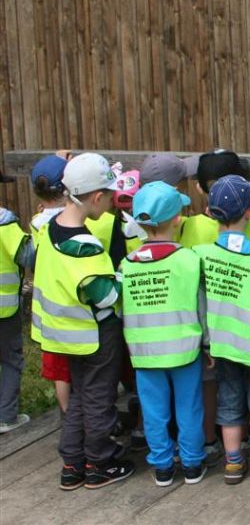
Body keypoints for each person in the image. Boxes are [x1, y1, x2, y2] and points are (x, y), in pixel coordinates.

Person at [31, 153, 134, 489]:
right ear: (95, 197)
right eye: (108, 196)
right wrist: (123, 277)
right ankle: (100, 461)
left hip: (63, 334)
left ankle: (73, 462)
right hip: (94, 334)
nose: (109, 203)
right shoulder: (84, 247)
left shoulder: (49, 230)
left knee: (78, 397)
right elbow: (106, 296)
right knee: (99, 397)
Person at [195, 175, 250, 487]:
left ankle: (233, 464)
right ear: (249, 211)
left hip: (222, 345)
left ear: (210, 211)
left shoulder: (203, 255)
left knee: (229, 405)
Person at [121, 182, 207, 486]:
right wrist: (207, 343)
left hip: (145, 353)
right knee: (189, 406)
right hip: (185, 349)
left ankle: (162, 467)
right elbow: (201, 307)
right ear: (177, 219)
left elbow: (122, 311)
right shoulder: (190, 260)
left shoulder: (126, 265)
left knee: (153, 410)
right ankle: (193, 464)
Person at [29, 154, 73, 414]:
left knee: (60, 370)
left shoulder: (37, 223)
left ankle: (67, 414)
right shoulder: (72, 220)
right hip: (74, 303)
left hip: (49, 305)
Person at [0, 169, 31, 433]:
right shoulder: (4, 223)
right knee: (10, 359)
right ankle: (6, 417)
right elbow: (28, 257)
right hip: (4, 309)